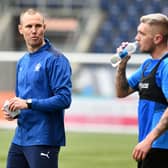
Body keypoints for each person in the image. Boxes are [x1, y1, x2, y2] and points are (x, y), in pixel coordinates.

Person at [2, 8, 72, 168]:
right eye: (29, 26)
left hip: (44, 138)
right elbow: (22, 99)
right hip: (20, 137)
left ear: (44, 28)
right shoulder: (22, 61)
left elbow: (64, 99)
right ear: (21, 29)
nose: (34, 31)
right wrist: (15, 112)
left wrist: (28, 103)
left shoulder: (56, 59)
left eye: (38, 26)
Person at [115, 13, 168, 168]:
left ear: (157, 39)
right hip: (148, 145)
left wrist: (149, 139)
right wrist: (122, 65)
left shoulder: (166, 66)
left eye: (142, 34)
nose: (136, 38)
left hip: (161, 147)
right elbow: (121, 92)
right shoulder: (147, 65)